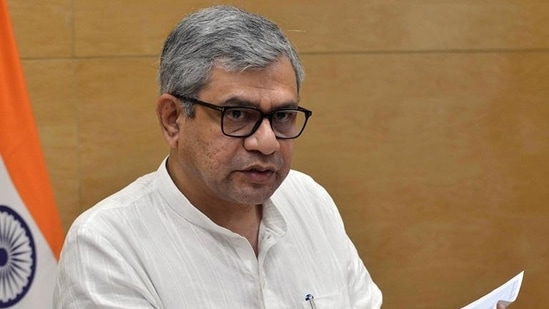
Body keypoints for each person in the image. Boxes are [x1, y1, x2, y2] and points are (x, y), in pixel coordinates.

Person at [53, 5, 382, 308]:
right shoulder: (105, 245)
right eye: (238, 114)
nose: (267, 143)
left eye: (282, 115)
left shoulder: (310, 200)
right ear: (173, 119)